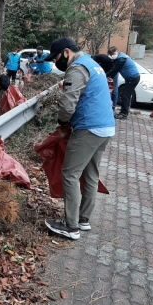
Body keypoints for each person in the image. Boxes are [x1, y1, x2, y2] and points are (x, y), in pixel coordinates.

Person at [42, 38, 115, 241]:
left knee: (70, 174)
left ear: (66, 52)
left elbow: (68, 103)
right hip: (106, 127)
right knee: (91, 174)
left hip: (88, 128)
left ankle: (70, 225)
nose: (57, 63)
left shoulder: (76, 68)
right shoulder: (92, 64)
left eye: (57, 58)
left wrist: (62, 121)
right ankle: (83, 219)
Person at [106, 46, 140, 119]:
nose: (112, 55)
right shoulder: (122, 56)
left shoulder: (121, 59)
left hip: (132, 78)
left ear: (117, 51)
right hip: (133, 77)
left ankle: (124, 113)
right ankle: (126, 110)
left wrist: (105, 75)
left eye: (113, 54)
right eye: (111, 54)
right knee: (126, 95)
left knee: (125, 95)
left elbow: (114, 70)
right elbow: (114, 71)